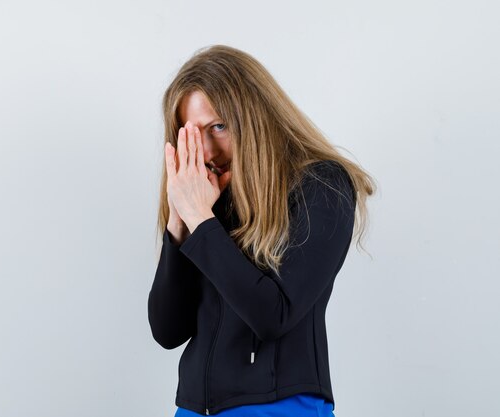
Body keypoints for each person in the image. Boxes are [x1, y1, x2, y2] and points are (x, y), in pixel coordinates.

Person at [147, 44, 376, 416]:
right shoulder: (207, 201)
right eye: (190, 134)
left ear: (254, 118)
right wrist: (180, 223)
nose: (206, 150)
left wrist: (201, 220)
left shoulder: (323, 185)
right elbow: (167, 330)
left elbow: (274, 315)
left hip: (281, 406)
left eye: (218, 127)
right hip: (192, 409)